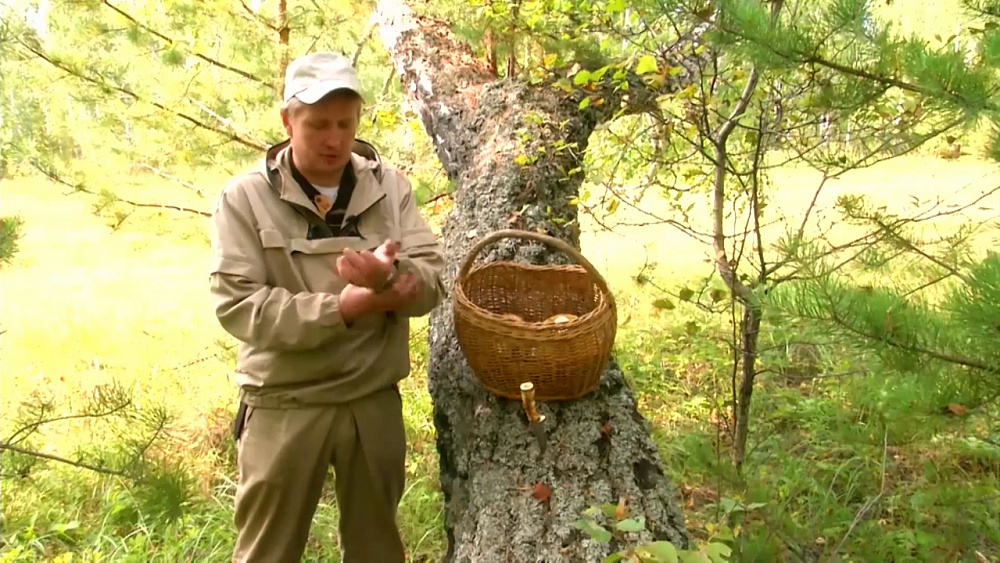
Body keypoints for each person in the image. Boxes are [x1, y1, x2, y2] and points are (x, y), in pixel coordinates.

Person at [208, 52, 446, 563]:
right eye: (317, 124)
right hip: (283, 402)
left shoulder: (390, 188)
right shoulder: (244, 198)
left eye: (345, 122)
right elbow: (239, 306)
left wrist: (392, 278)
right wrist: (344, 307)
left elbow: (431, 282)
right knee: (266, 552)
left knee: (377, 549)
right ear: (287, 120)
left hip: (371, 400)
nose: (334, 139)